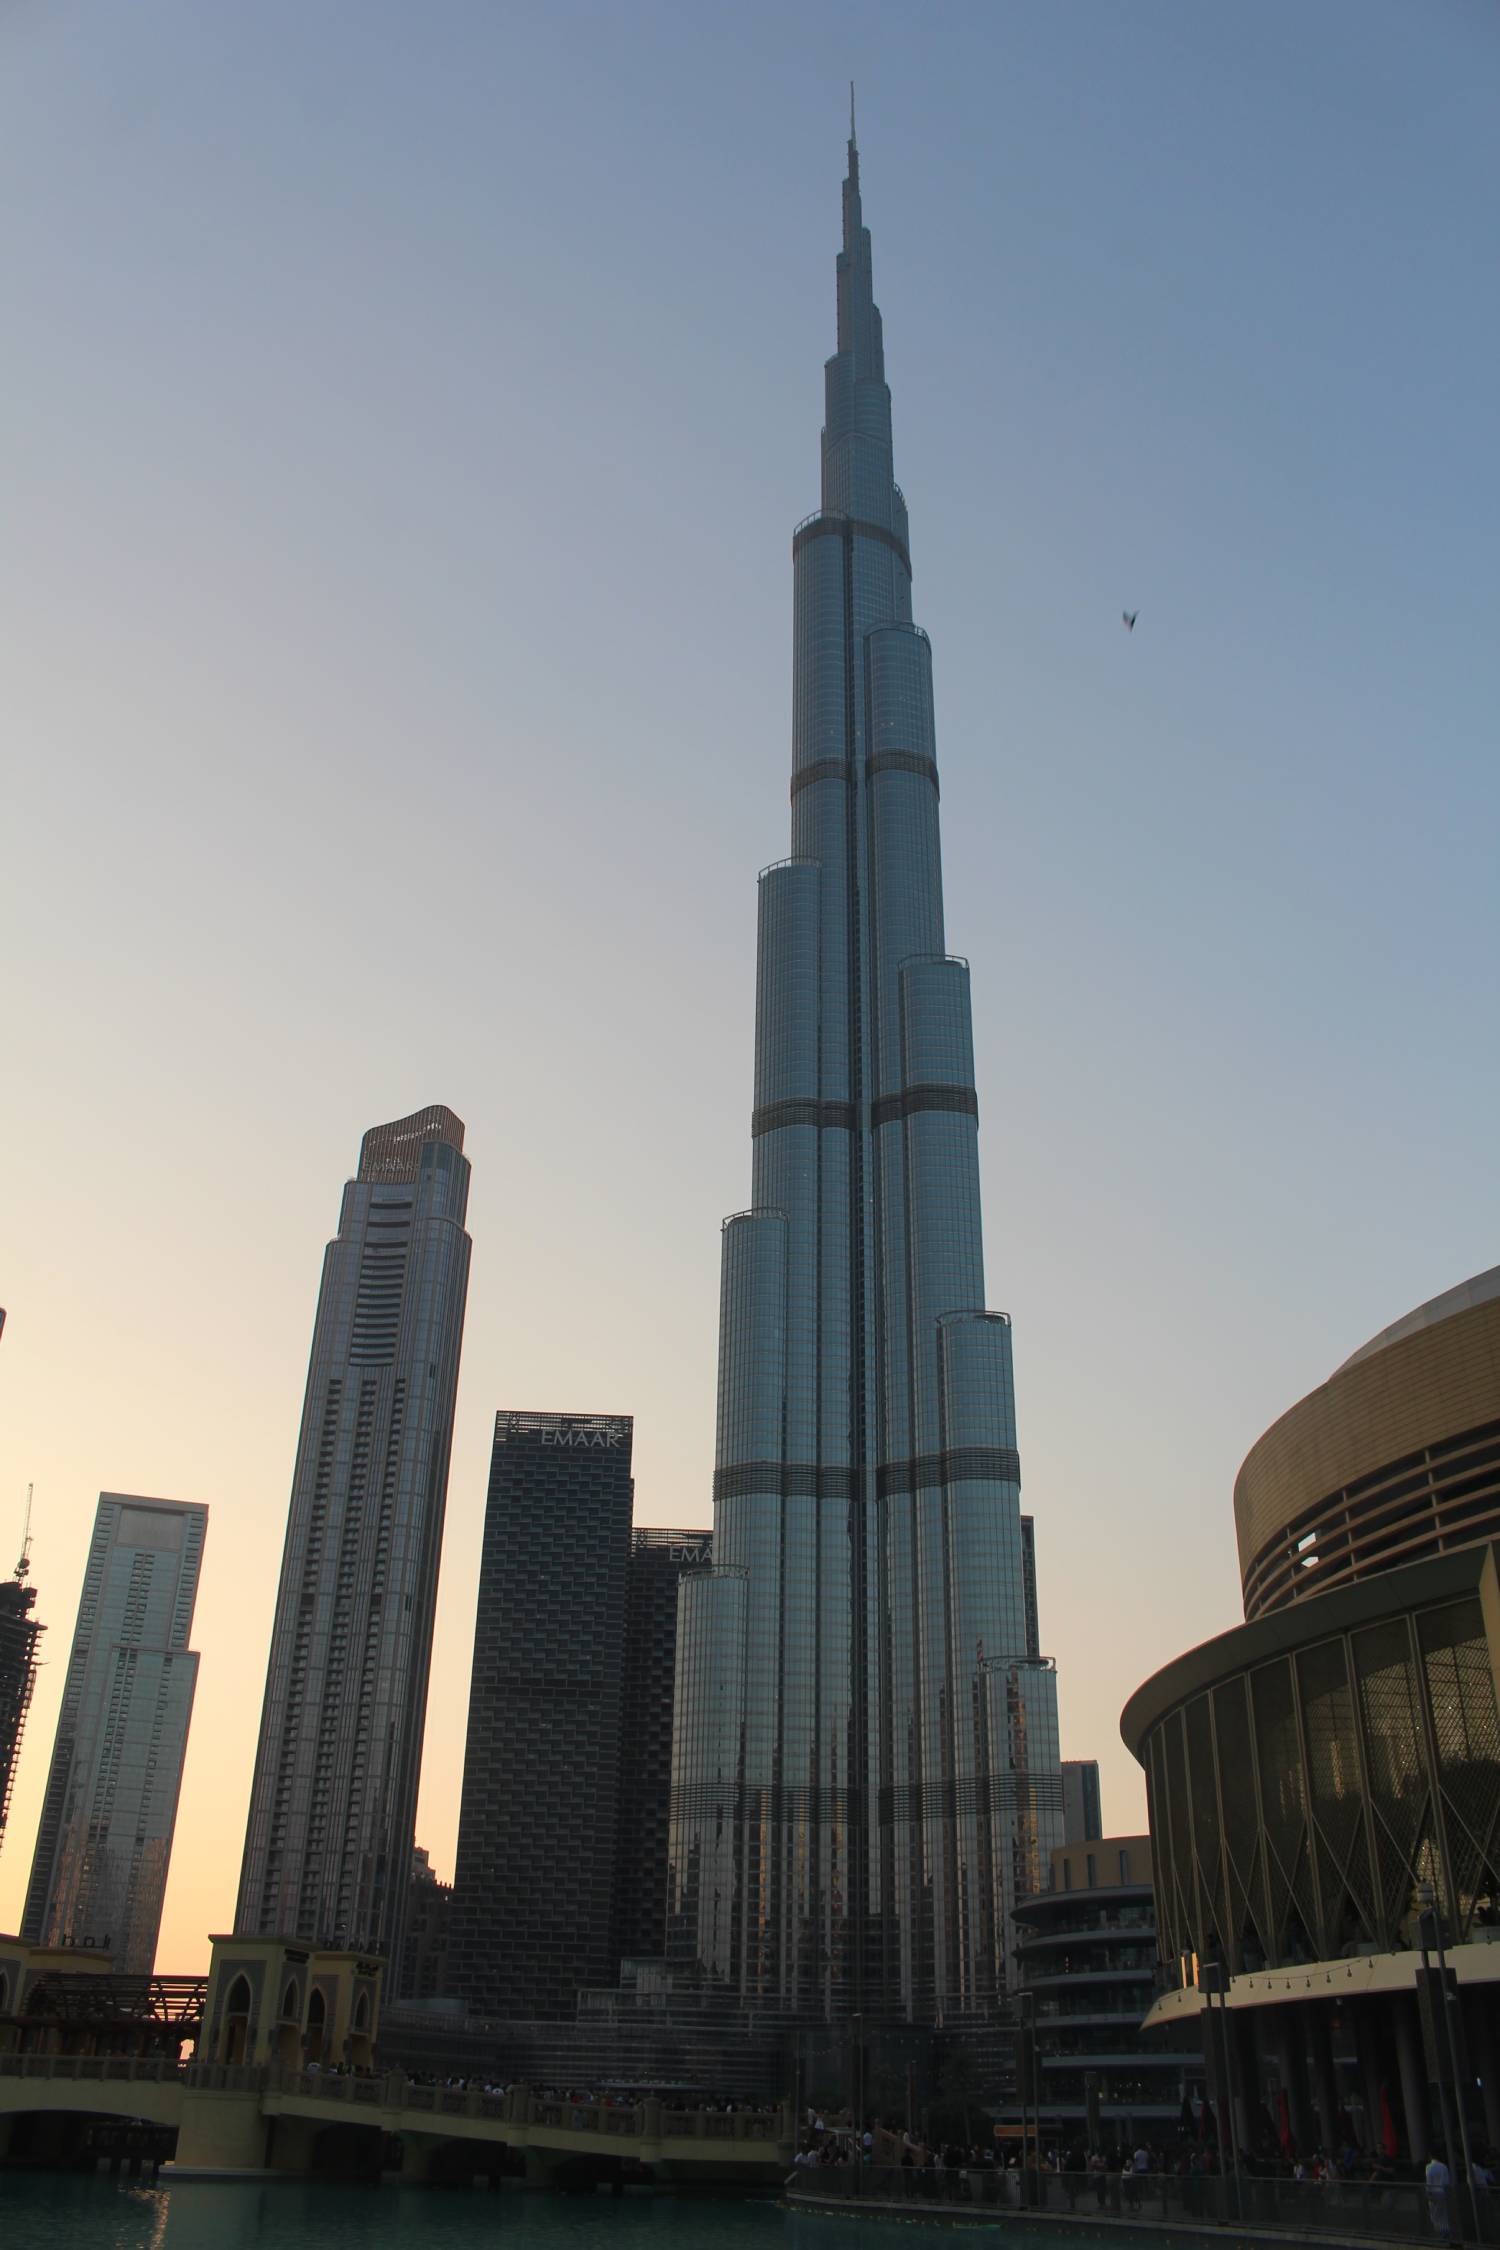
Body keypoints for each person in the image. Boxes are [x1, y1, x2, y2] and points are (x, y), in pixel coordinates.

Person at [1426, 2152, 1452, 2241]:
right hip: (1443, 2192)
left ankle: (1438, 2233)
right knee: (1444, 2214)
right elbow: (1447, 2181)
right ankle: (1446, 2232)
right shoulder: (1444, 2166)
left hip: (1434, 2192)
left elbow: (1429, 2181)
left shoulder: (1429, 2167)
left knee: (1435, 2214)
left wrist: (1428, 2192)